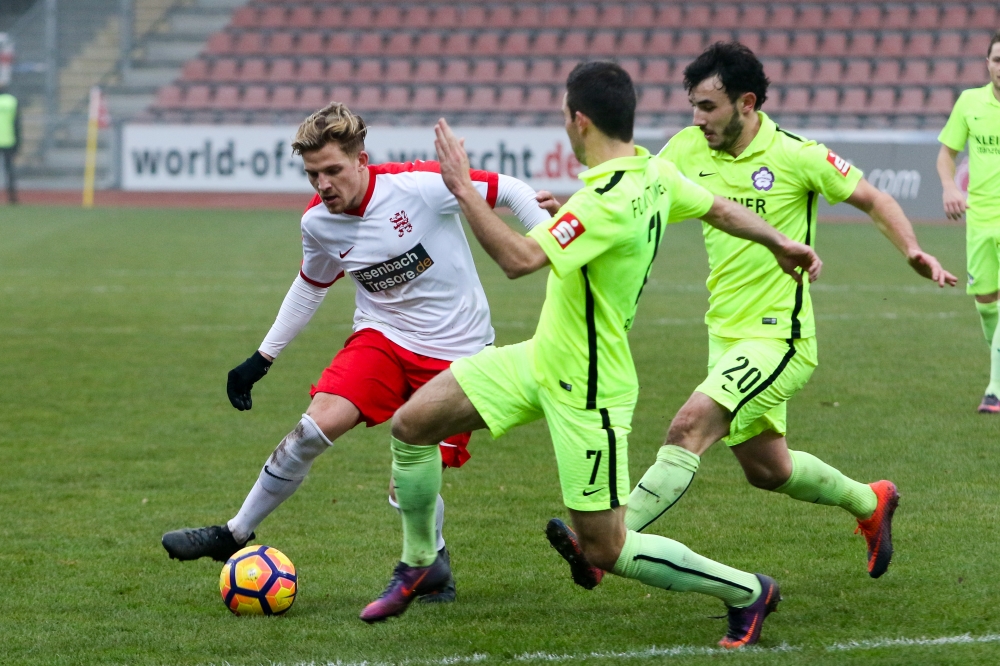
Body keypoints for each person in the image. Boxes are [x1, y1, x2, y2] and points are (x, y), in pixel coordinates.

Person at [359, 62, 822, 649]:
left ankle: (747, 590)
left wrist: (462, 189)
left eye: (563, 115)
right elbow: (719, 208)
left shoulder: (604, 199)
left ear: (579, 121)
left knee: (606, 545)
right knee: (412, 425)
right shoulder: (653, 173)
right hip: (541, 359)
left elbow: (518, 261)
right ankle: (422, 562)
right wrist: (781, 241)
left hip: (589, 387)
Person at [549, 43, 957, 593]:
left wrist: (911, 249)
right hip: (724, 334)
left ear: (747, 103)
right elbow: (633, 196)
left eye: (709, 107)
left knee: (687, 428)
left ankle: (603, 543)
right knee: (769, 470)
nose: (698, 119)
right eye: (693, 105)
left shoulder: (797, 155)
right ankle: (871, 500)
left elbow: (873, 199)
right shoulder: (685, 149)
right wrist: (571, 215)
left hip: (780, 339)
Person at [160, 102, 552, 604]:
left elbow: (513, 190)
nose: (323, 185)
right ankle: (234, 533)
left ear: (362, 159)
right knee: (311, 429)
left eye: (333, 171)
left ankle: (431, 560)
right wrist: (262, 358)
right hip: (383, 339)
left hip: (459, 354)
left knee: (404, 483)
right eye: (312, 174)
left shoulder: (420, 187)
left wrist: (546, 238)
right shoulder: (320, 223)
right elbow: (310, 286)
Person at [937, 30, 1000, 413]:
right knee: (986, 304)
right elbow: (947, 155)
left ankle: (995, 388)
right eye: (997, 60)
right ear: (988, 63)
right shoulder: (970, 102)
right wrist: (949, 187)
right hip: (980, 217)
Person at [0, 83, 19, 204]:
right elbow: (17, 123)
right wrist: (18, 142)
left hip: (7, 140)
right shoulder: (12, 101)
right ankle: (12, 197)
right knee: (9, 170)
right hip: (8, 140)